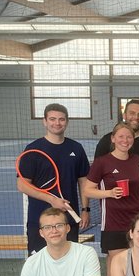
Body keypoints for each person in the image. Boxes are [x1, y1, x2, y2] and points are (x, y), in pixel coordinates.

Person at [83, 122, 139, 276]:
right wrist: (109, 193)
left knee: (135, 261)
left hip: (136, 219)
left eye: (129, 137)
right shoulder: (103, 162)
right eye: (121, 136)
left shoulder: (136, 160)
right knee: (116, 263)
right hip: (113, 219)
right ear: (113, 138)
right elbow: (87, 189)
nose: (125, 140)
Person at [17, 103, 91, 255]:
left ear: (67, 122)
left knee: (69, 264)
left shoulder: (76, 148)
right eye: (52, 119)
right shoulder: (33, 149)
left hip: (68, 220)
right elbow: (22, 185)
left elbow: (83, 182)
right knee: (40, 265)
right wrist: (51, 200)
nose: (57, 123)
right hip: (40, 221)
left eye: (61, 119)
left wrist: (85, 209)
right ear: (44, 121)